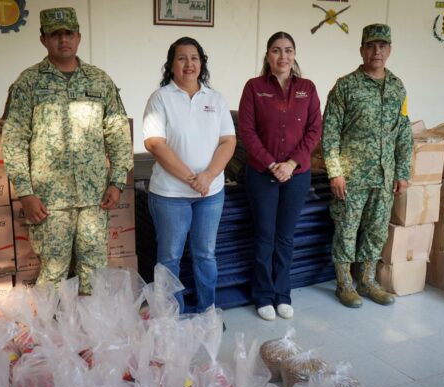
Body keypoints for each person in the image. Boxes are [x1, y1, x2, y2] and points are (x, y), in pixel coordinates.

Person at [2, 7, 133, 295]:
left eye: (69, 33)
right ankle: (51, 324)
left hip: (95, 198)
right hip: (49, 201)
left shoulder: (100, 81)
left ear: (78, 37)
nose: (63, 40)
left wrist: (117, 181)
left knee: (94, 271)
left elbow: (118, 132)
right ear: (43, 39)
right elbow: (14, 139)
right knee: (53, 272)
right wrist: (25, 193)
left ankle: (89, 323)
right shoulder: (29, 82)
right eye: (55, 34)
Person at [142, 37, 236, 313]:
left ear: (201, 63)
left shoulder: (215, 99)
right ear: (171, 65)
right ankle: (171, 316)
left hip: (210, 194)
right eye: (181, 58)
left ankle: (207, 311)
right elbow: (155, 143)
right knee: (169, 258)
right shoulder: (160, 98)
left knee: (205, 255)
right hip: (170, 195)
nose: (189, 64)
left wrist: (207, 176)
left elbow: (228, 141)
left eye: (194, 58)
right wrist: (192, 178)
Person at [322, 24, 413, 308]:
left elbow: (404, 132)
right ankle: (344, 284)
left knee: (376, 230)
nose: (377, 51)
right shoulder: (345, 86)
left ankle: (367, 280)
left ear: (390, 50)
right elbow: (330, 133)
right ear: (361, 50)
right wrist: (335, 172)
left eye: (382, 46)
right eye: (371, 46)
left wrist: (402, 172)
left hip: (384, 176)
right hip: (352, 177)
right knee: (347, 229)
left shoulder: (397, 87)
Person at [238, 31, 322, 321]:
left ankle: (282, 294)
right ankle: (263, 295)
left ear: (294, 55)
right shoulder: (254, 87)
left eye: (288, 50)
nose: (282, 56)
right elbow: (246, 131)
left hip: (297, 176)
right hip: (262, 174)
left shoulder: (307, 88)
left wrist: (291, 164)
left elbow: (314, 130)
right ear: (267, 55)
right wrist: (272, 163)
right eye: (276, 50)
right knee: (264, 236)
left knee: (285, 237)